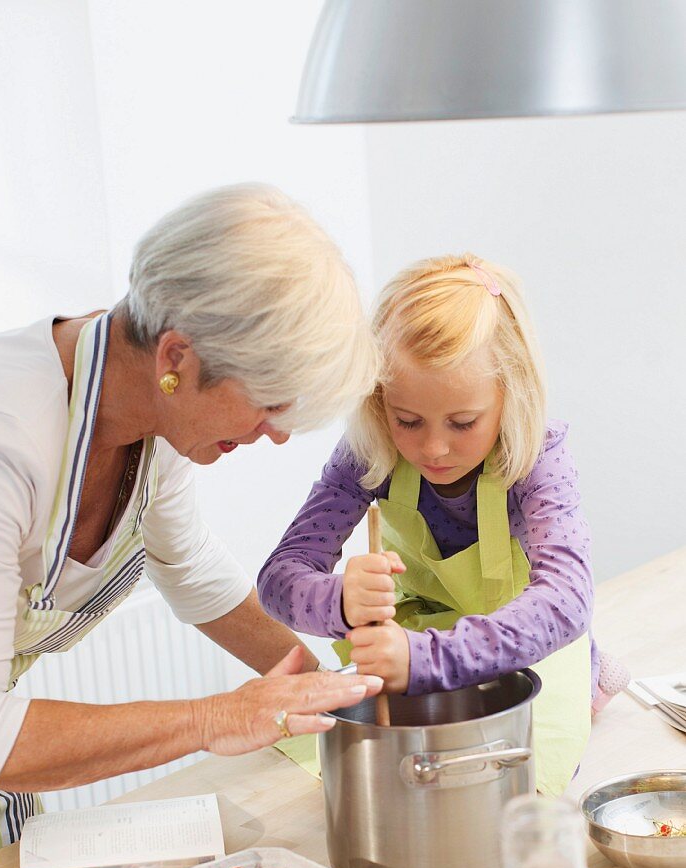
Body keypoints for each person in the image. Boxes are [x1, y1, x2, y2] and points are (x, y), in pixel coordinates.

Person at [0, 183, 384, 864]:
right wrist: (215, 718)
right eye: (269, 403)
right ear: (177, 359)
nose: (275, 435)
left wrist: (339, 696)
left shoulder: (151, 414)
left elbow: (190, 570)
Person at [259, 253, 626, 797]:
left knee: (511, 789)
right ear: (378, 400)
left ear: (511, 395)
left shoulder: (539, 456)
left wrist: (429, 660)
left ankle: (592, 673)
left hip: (522, 644)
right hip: (419, 637)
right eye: (407, 420)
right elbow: (279, 579)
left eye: (463, 423)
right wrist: (341, 602)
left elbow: (567, 600)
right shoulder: (368, 450)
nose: (433, 447)